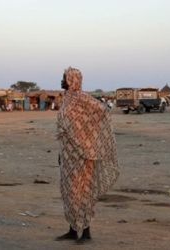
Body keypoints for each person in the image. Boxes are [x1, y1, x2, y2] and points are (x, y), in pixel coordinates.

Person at [56, 67, 120, 244]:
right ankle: (72, 229)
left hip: (84, 155)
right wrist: (61, 152)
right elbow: (66, 128)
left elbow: (102, 111)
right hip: (68, 155)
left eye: (65, 78)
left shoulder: (82, 98)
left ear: (72, 80)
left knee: (83, 192)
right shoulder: (67, 99)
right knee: (69, 192)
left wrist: (88, 138)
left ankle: (86, 232)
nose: (62, 81)